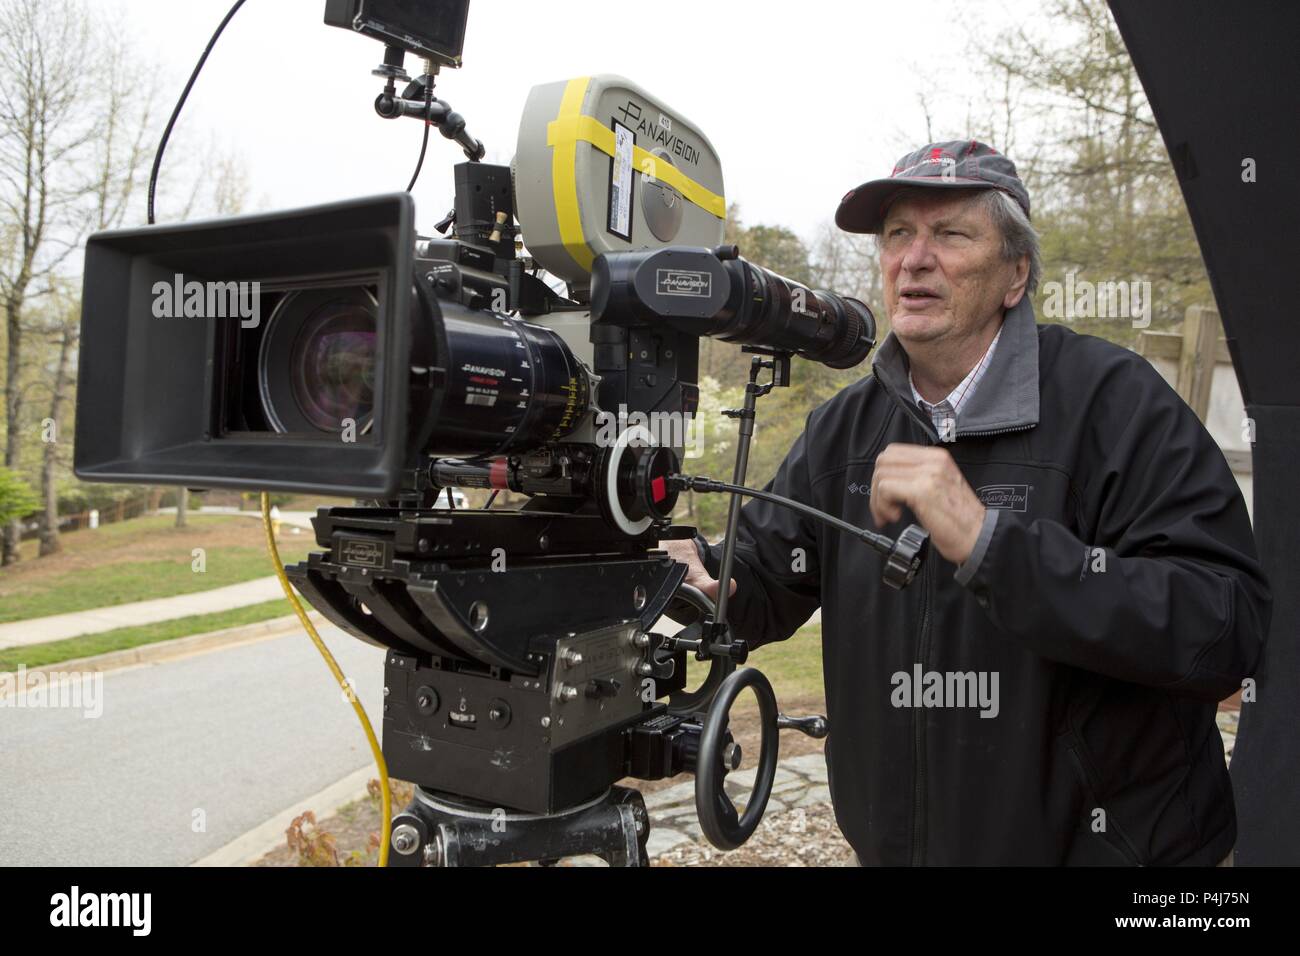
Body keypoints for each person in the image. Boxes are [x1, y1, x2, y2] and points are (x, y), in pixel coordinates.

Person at [663, 141, 1271, 865]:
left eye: (950, 234)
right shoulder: (843, 431)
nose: (914, 258)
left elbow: (1222, 626)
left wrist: (995, 546)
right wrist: (709, 579)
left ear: (1016, 274)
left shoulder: (1116, 404)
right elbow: (766, 576)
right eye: (897, 235)